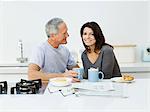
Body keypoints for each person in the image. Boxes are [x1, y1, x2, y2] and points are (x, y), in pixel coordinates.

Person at [28, 18, 80, 82]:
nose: (67, 35)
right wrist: (62, 76)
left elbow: (77, 70)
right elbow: (31, 75)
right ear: (52, 36)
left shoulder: (65, 50)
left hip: (63, 87)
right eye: (64, 33)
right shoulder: (40, 49)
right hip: (46, 89)